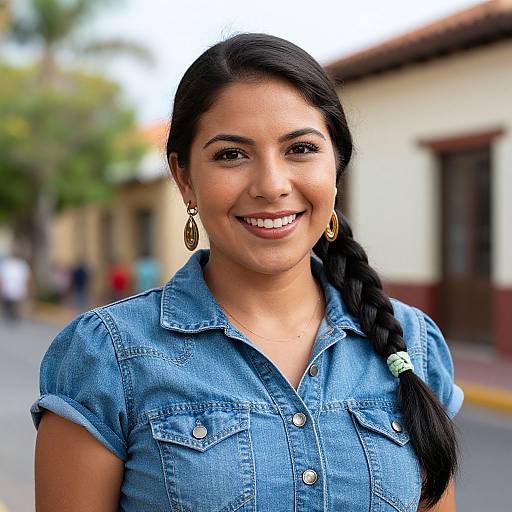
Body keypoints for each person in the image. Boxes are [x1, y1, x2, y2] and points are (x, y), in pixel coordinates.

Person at [30, 33, 463, 511]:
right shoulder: (106, 356)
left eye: (300, 149)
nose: (272, 186)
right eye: (231, 154)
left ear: (336, 166)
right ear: (184, 177)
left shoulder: (413, 344)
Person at [0, 248, 31, 322]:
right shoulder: (6, 264)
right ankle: (9, 315)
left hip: (18, 287)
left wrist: (28, 287)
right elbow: (2, 277)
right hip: (9, 287)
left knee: (16, 302)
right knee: (8, 303)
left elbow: (27, 277)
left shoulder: (21, 264)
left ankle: (15, 315)